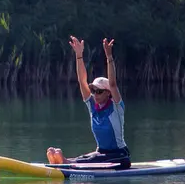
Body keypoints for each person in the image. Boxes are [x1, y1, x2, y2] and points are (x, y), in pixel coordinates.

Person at [47, 36, 130, 169]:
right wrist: (79, 55)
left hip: (120, 156)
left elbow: (113, 84)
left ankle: (66, 164)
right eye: (93, 90)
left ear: (108, 93)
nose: (95, 94)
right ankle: (64, 161)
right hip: (101, 153)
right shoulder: (93, 106)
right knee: (85, 157)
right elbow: (82, 81)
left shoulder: (116, 108)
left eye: (99, 91)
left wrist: (109, 57)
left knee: (92, 159)